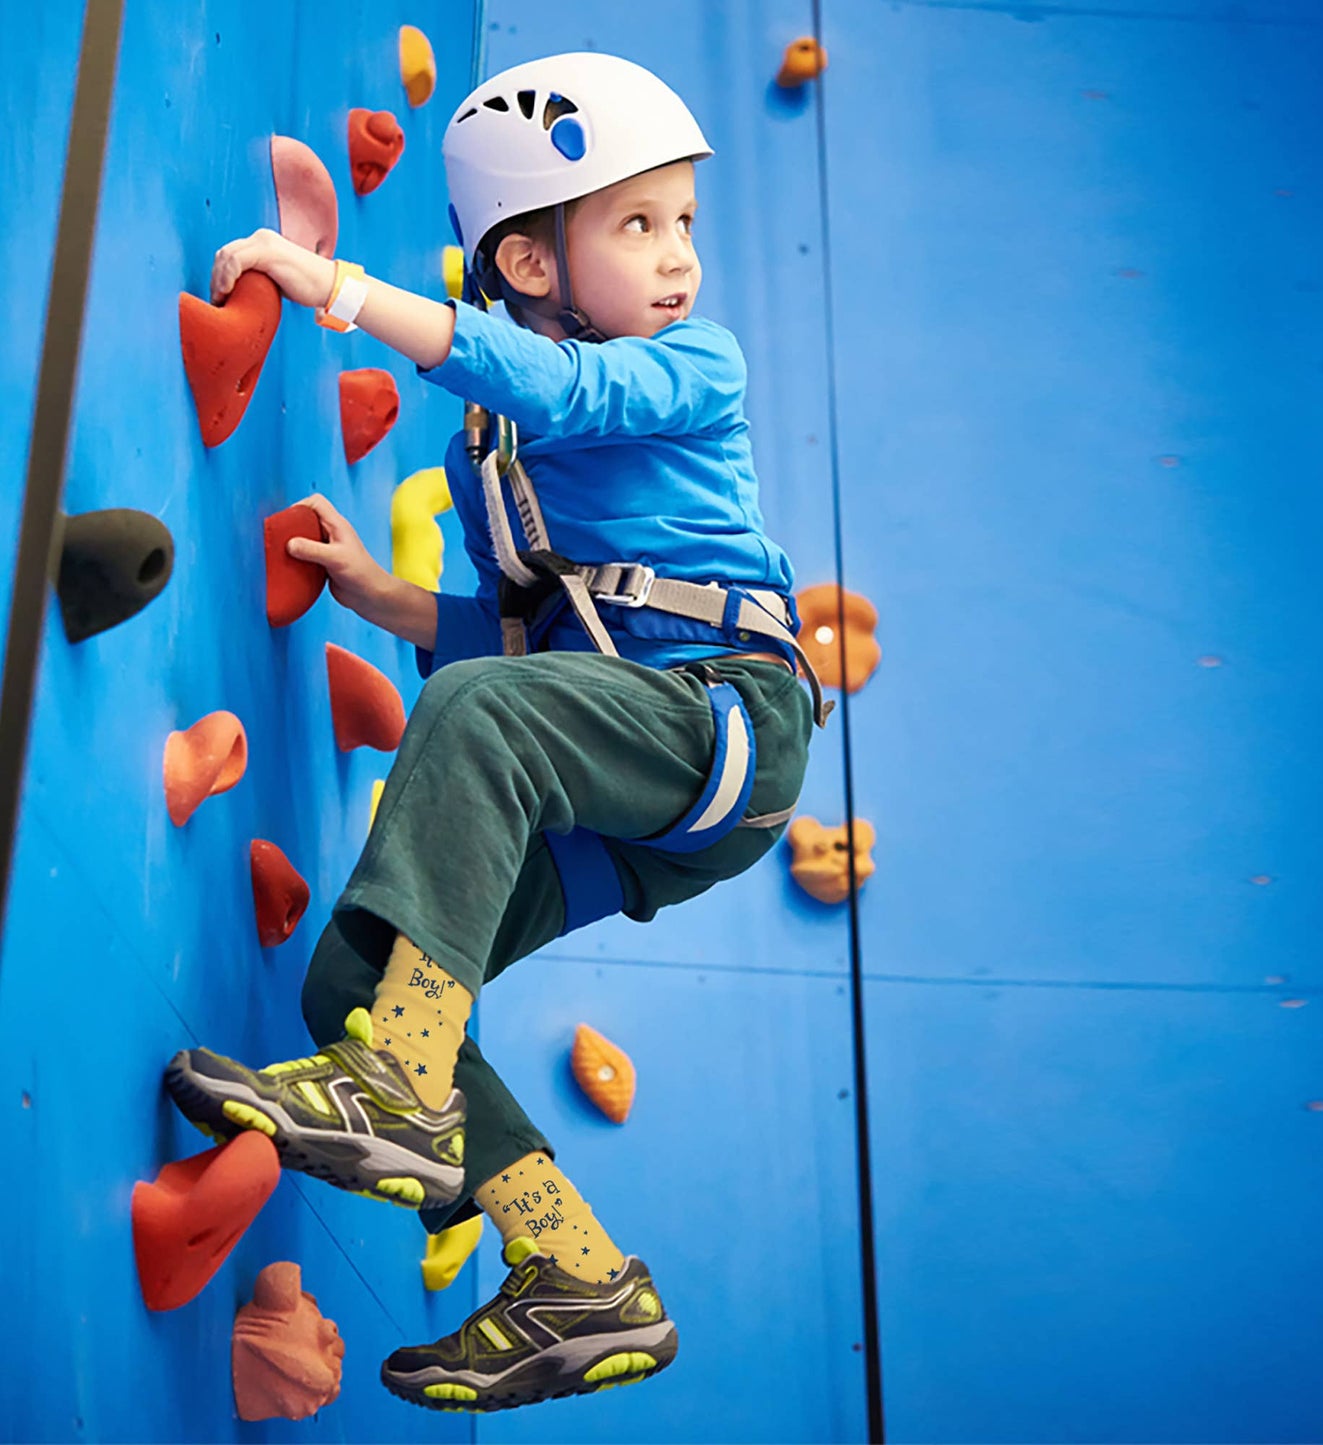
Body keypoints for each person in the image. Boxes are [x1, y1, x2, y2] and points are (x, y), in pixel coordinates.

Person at [163, 52, 827, 1414]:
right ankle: (578, 1276)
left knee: (475, 720)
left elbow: (573, 398)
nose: (678, 259)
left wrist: (342, 293)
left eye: (683, 225)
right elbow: (537, 638)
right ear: (527, 262)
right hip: (634, 800)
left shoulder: (689, 362)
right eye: (636, 226)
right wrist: (388, 596)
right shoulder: (489, 449)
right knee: (352, 976)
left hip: (723, 723)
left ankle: (394, 1090)